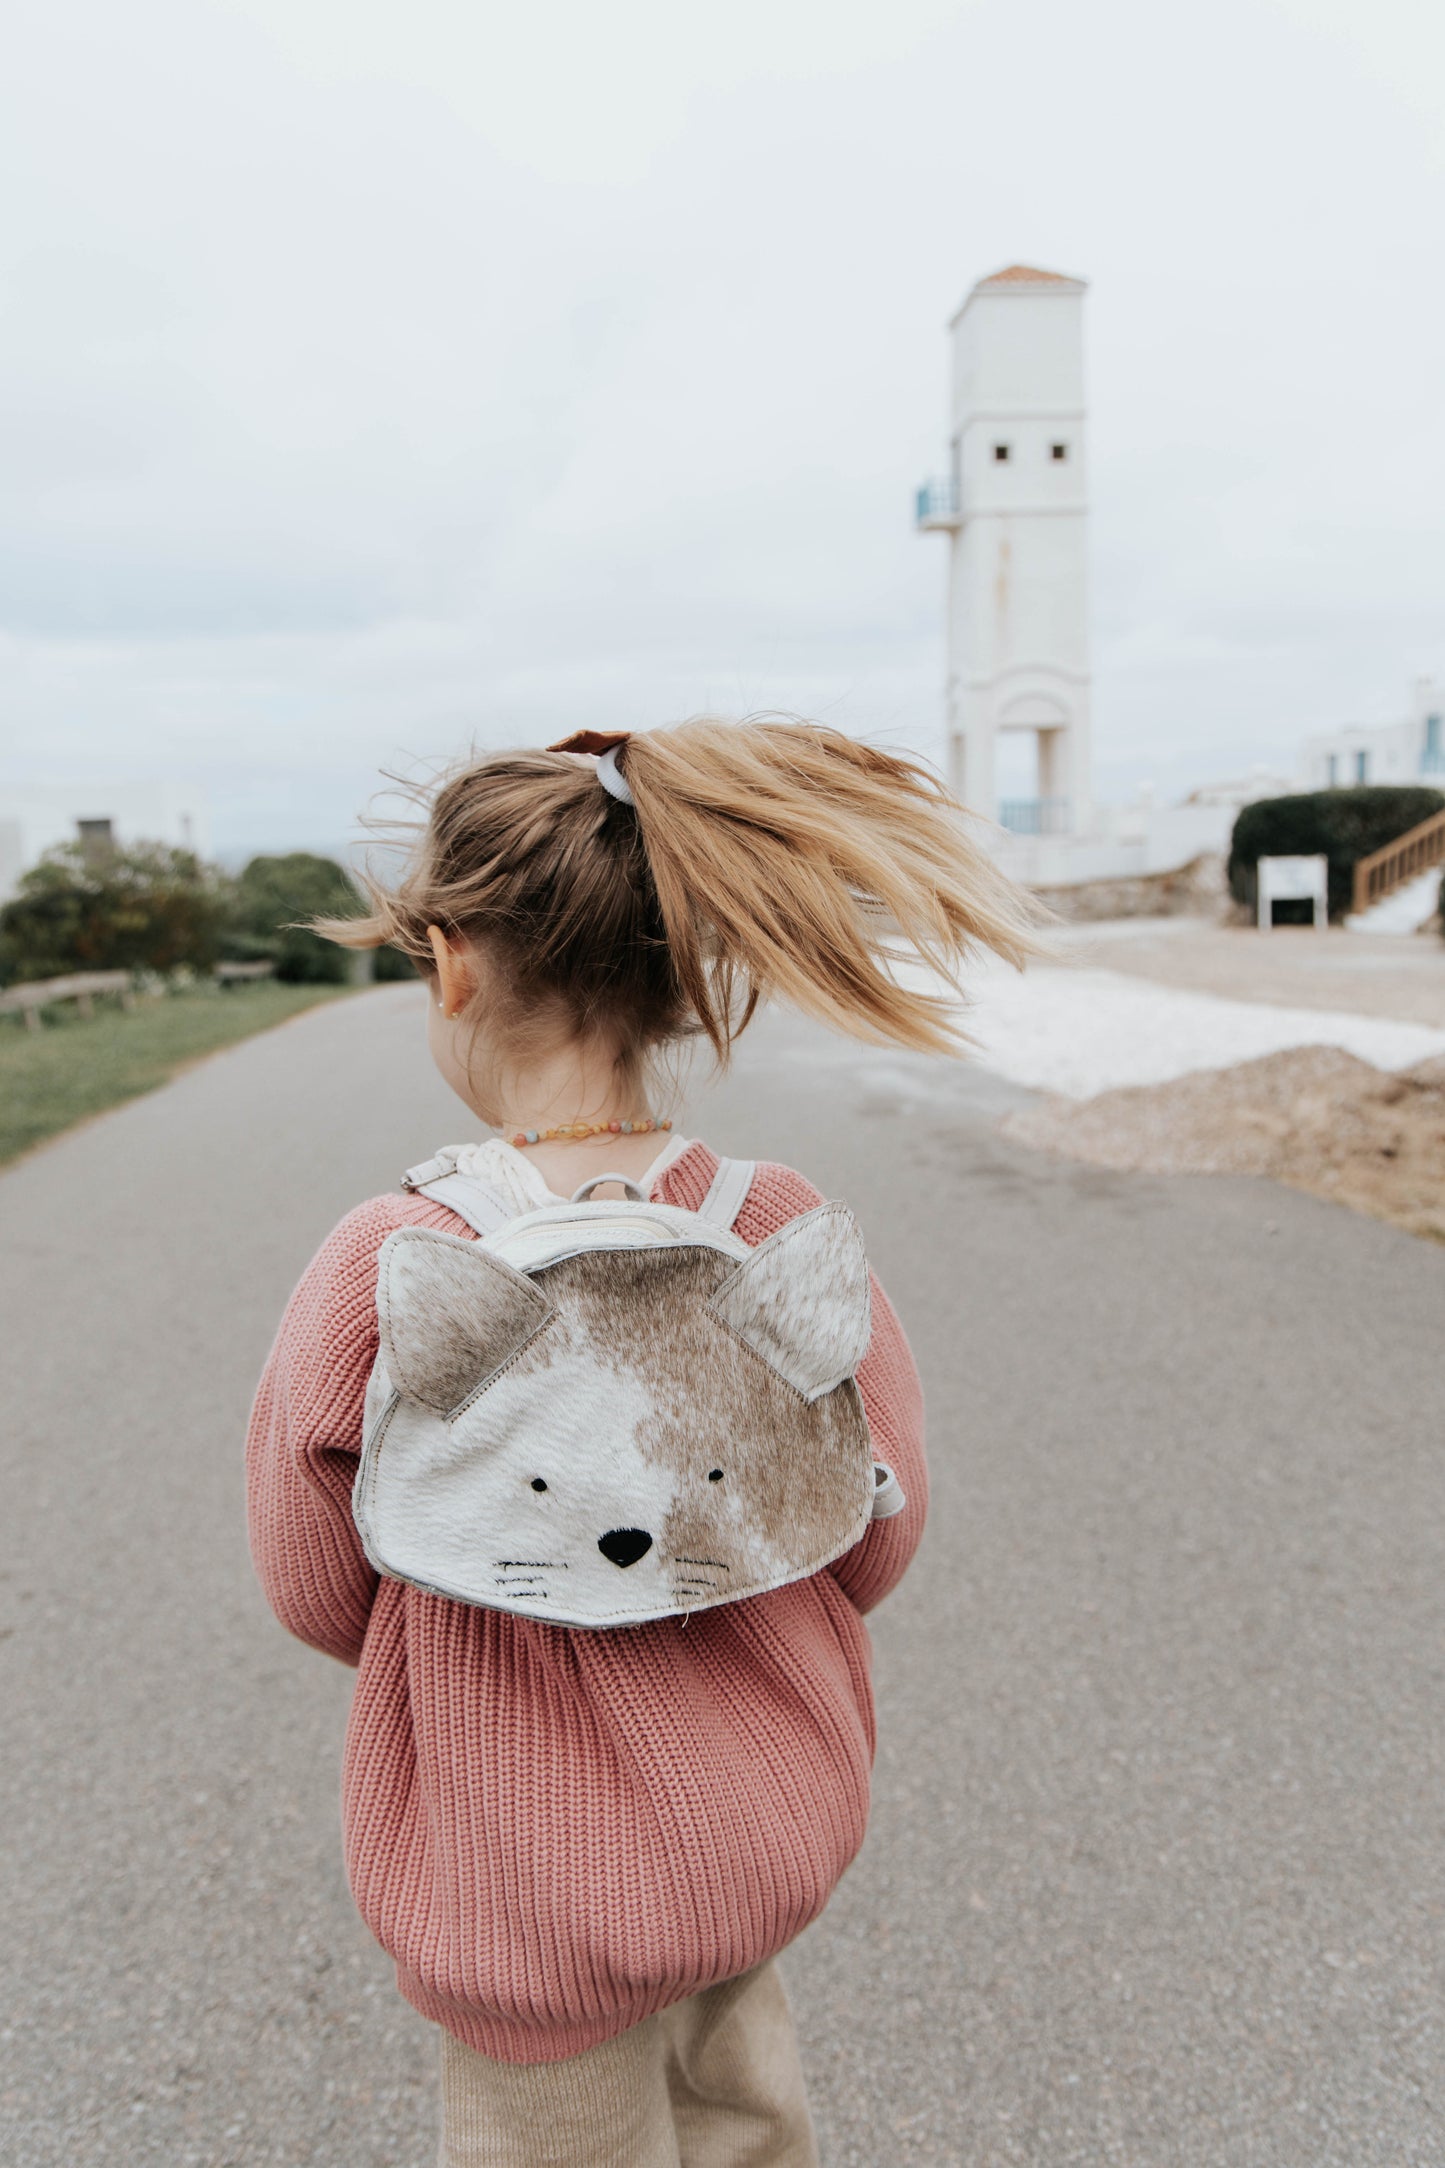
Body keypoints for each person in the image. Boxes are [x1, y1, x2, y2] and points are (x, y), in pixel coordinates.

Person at [246, 718, 1042, 2166]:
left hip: (521, 1880)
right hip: (757, 1825)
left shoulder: (395, 1255)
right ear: (679, 982)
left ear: (457, 964)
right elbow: (875, 1523)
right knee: (745, 2113)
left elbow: (313, 1581)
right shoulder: (775, 1223)